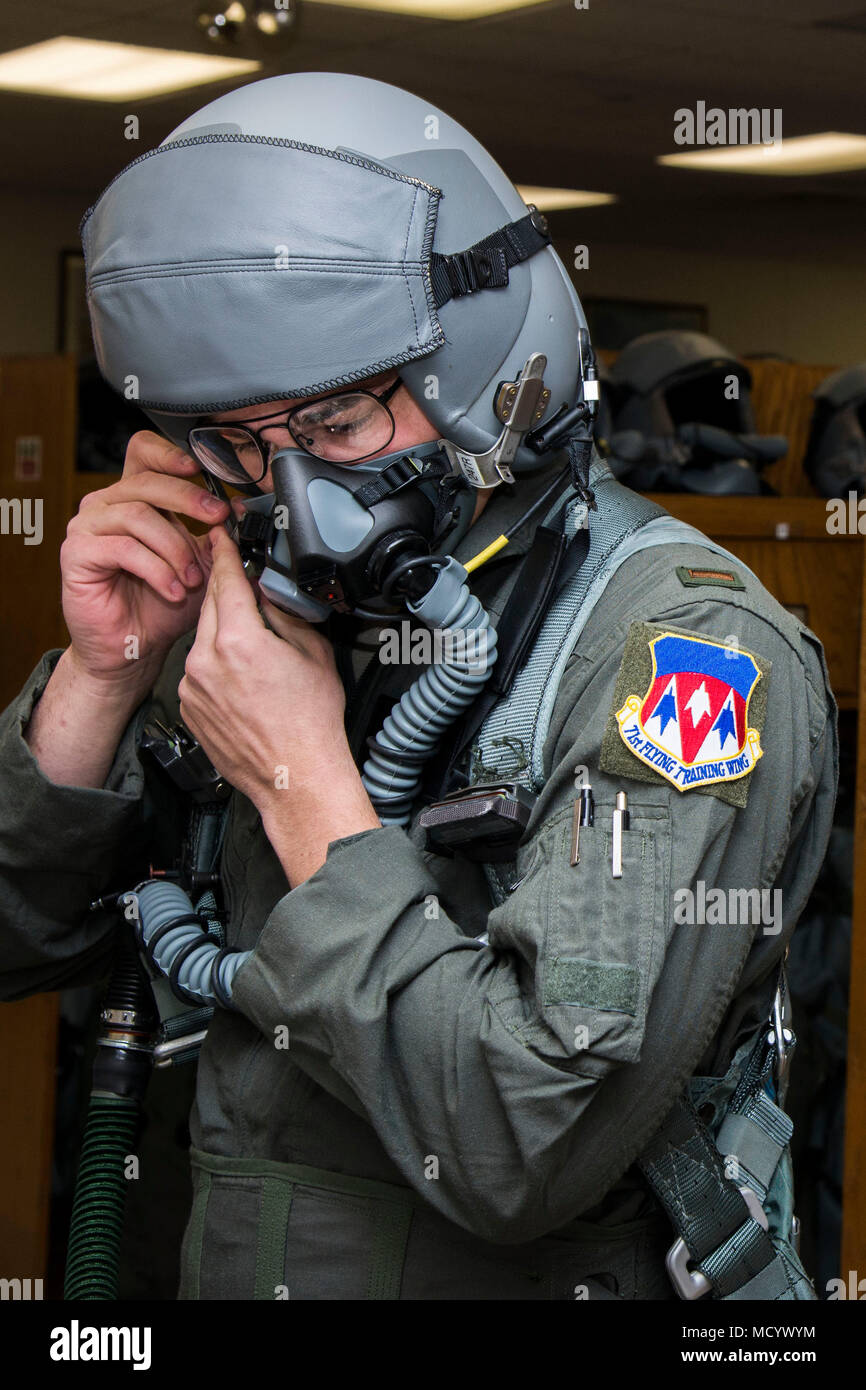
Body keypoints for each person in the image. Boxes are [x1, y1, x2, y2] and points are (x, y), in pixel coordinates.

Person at [0, 73, 837, 1301]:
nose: (302, 505)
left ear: (493, 368)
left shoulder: (683, 659)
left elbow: (520, 1144)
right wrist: (105, 673)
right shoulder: (258, 609)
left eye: (338, 424)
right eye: (237, 444)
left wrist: (305, 792)